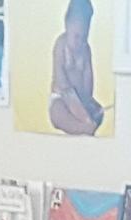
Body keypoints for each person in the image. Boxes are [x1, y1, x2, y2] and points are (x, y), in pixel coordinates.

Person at [49, 0, 105, 136]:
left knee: (99, 111)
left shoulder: (86, 50)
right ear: (66, 25)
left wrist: (86, 102)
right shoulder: (61, 45)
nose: (79, 42)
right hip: (62, 97)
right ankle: (82, 128)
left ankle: (85, 124)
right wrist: (76, 107)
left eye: (84, 37)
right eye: (76, 36)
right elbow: (61, 79)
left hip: (81, 98)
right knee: (57, 112)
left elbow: (88, 77)